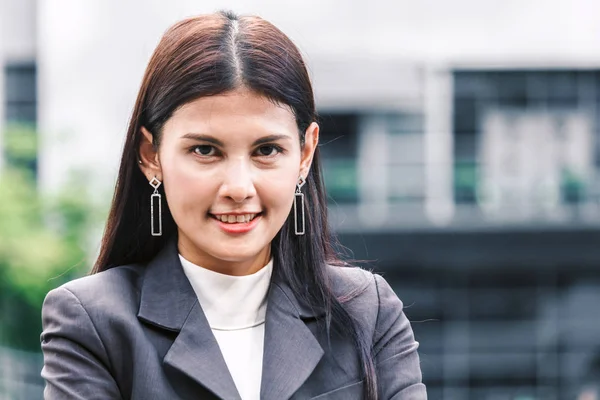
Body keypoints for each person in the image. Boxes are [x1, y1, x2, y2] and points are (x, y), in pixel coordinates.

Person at [40, 10, 426, 400]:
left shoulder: (366, 311)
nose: (238, 188)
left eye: (267, 150)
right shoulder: (93, 323)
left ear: (305, 153)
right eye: (205, 150)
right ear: (150, 154)